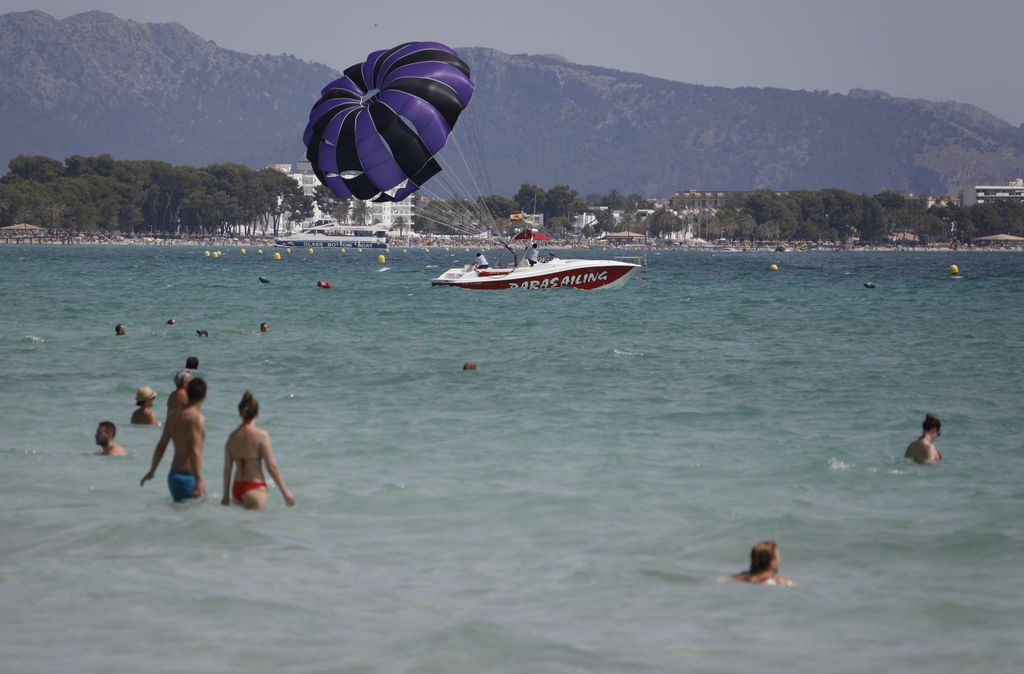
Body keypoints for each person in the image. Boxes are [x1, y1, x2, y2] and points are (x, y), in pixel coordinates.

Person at [221, 391, 295, 510]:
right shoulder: (261, 436)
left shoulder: (231, 438)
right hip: (254, 487)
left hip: (236, 489)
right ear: (257, 413)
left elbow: (227, 469)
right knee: (256, 527)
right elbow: (271, 466)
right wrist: (285, 492)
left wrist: (225, 496)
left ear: (240, 413)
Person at [141, 377, 208, 502]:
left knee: (180, 516)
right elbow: (194, 451)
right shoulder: (197, 419)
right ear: (204, 395)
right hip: (189, 476)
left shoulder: (172, 417)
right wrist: (199, 480)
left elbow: (161, 445)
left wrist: (152, 470)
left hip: (173, 476)